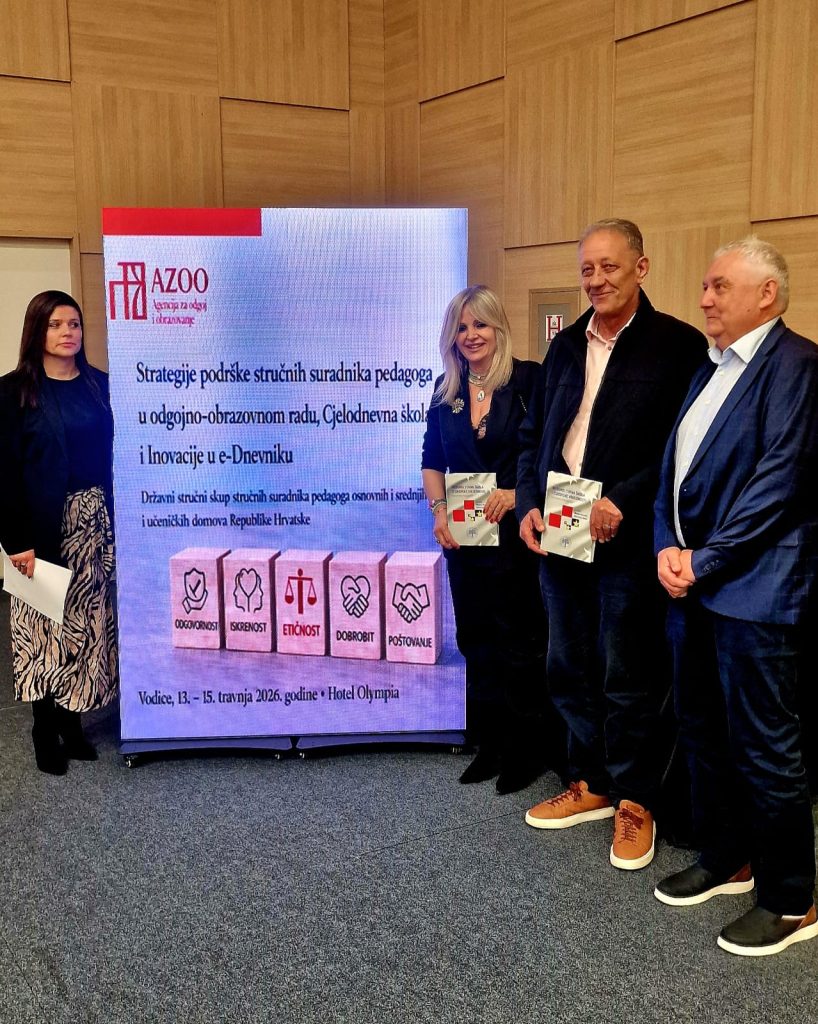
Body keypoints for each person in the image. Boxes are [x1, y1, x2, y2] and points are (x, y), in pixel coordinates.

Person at [517, 219, 706, 868]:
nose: (596, 280)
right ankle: (592, 782)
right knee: (566, 666)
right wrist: (528, 503)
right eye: (587, 269)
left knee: (629, 675)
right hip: (560, 528)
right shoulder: (565, 345)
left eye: (610, 267)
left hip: (624, 538)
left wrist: (623, 498)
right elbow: (535, 435)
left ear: (641, 268)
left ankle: (635, 799)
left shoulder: (677, 346)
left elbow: (682, 448)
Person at [653, 238, 818, 956]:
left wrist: (703, 560)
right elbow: (674, 471)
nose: (704, 299)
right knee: (703, 732)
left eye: (719, 286)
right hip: (694, 586)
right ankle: (728, 857)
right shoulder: (710, 368)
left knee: (766, 747)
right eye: (705, 286)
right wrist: (665, 542)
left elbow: (782, 482)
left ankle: (790, 899)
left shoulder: (798, 366)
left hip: (757, 591)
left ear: (766, 295)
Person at [422, 285, 561, 794]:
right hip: (465, 541)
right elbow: (432, 460)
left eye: (480, 324)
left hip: (515, 538)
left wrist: (517, 493)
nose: (471, 335)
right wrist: (439, 511)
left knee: (520, 641)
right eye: (461, 327)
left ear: (498, 327)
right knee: (476, 640)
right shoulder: (445, 391)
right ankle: (492, 743)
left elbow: (550, 451)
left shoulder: (528, 380)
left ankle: (528, 749)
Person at [0, 290, 118, 775]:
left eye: (74, 324)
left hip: (93, 522)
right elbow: (4, 473)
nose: (68, 332)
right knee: (40, 626)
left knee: (85, 625)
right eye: (55, 324)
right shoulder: (12, 392)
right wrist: (15, 542)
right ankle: (42, 728)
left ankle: (72, 721)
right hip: (40, 524)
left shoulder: (99, 385)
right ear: (37, 331)